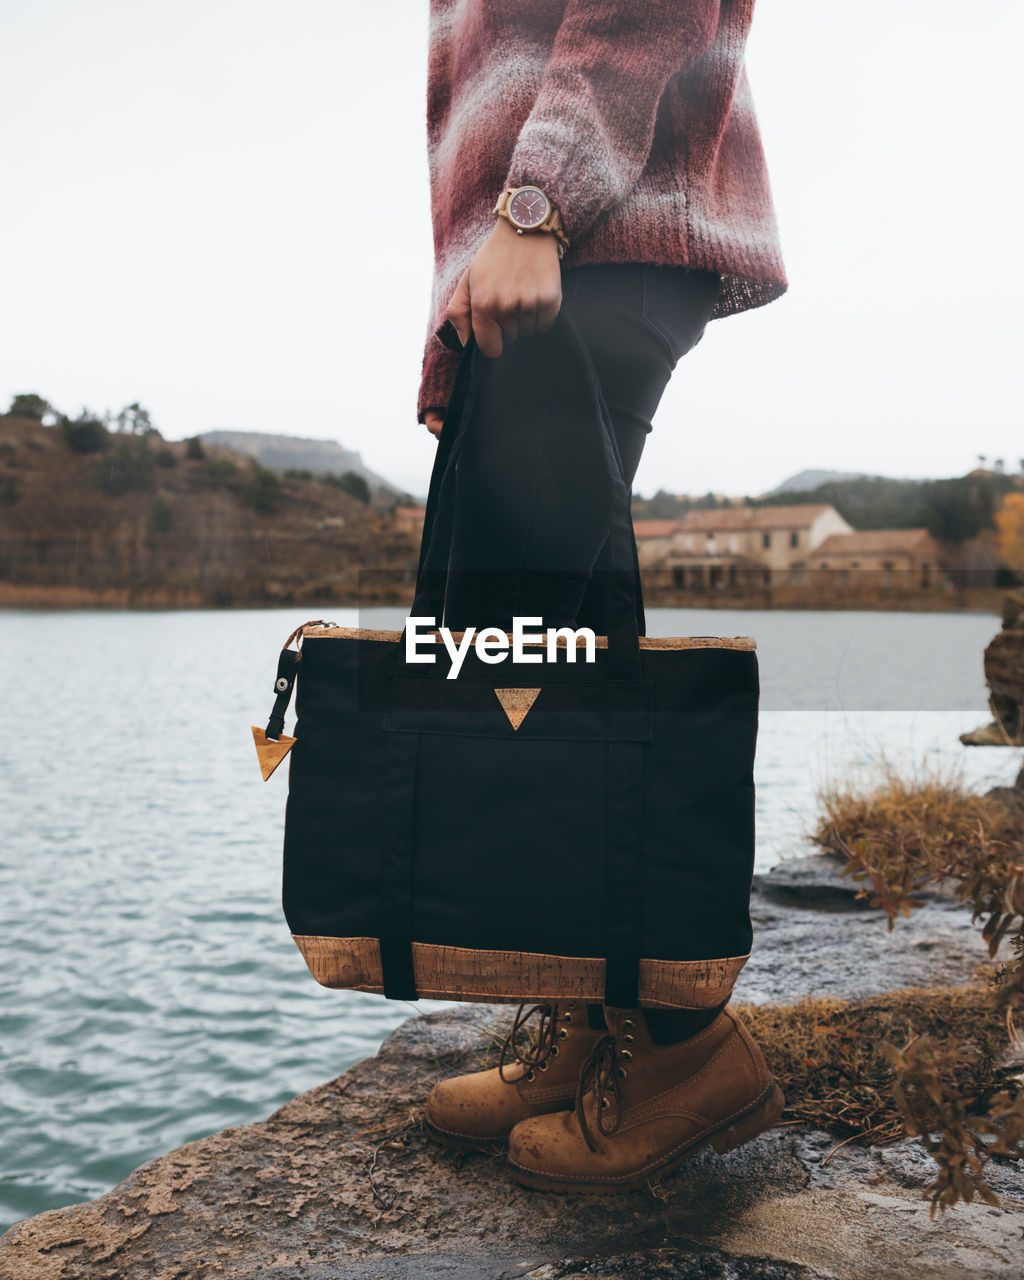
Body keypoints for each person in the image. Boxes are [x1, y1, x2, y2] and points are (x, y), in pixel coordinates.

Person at [415, 0, 788, 1192]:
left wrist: (537, 208)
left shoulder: (557, 217)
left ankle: (683, 1047)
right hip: (558, 256)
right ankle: (598, 1017)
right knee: (569, 656)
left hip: (589, 235)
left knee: (517, 671)